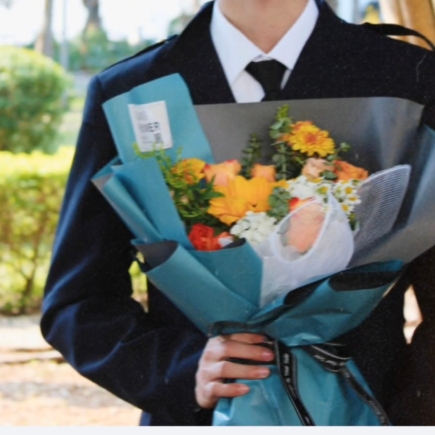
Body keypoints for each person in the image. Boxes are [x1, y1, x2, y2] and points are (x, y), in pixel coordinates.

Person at [41, 0, 435, 426]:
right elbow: (79, 302)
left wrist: (409, 412)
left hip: (374, 407)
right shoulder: (133, 91)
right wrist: (183, 368)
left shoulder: (410, 77)